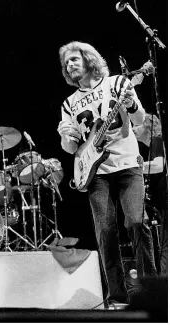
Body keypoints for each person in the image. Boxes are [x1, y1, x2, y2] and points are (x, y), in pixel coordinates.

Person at [57, 41, 157, 304]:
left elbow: (138, 120)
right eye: (66, 63)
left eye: (74, 59)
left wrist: (132, 105)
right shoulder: (69, 103)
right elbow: (70, 148)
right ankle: (118, 294)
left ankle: (150, 289)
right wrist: (66, 138)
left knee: (137, 222)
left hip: (127, 164)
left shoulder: (117, 84)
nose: (69, 65)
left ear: (89, 59)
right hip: (95, 172)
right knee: (105, 231)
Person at [133, 114, 167, 275]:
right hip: (161, 203)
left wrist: (133, 167)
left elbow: (158, 166)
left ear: (148, 127)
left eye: (136, 125)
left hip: (165, 202)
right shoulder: (153, 147)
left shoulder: (158, 142)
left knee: (166, 246)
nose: (132, 128)